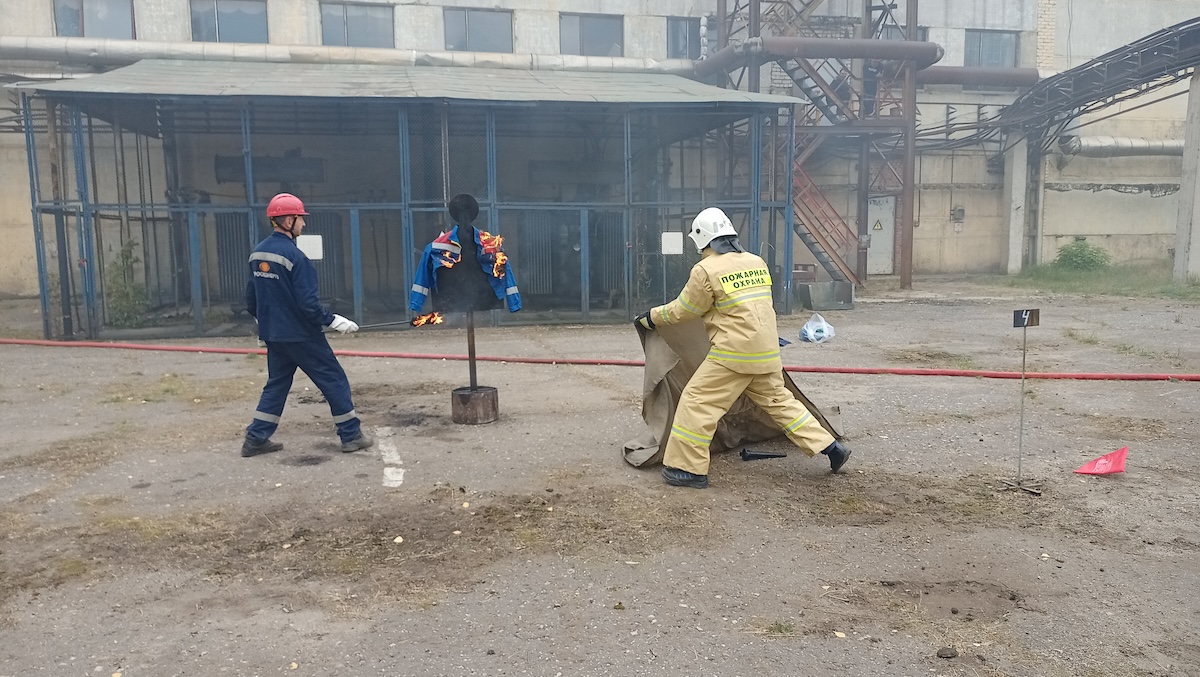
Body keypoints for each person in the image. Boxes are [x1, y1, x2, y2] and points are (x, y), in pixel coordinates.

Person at [635, 207, 850, 488]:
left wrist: (651, 317)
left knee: (697, 402)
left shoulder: (706, 269)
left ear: (703, 238)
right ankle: (832, 448)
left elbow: (684, 310)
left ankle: (688, 470)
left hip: (733, 355)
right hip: (767, 352)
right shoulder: (756, 262)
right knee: (781, 403)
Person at [241, 192, 374, 458]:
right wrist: (334, 320)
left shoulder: (258, 253)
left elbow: (251, 296)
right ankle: (350, 435)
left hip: (274, 335)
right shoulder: (296, 257)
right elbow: (308, 304)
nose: (304, 224)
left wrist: (261, 323)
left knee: (277, 384)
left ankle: (256, 438)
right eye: (301, 219)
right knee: (333, 379)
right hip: (301, 334)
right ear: (288, 220)